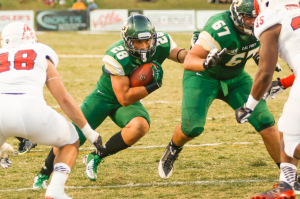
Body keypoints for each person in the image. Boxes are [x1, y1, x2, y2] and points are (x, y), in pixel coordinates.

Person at [32, 14, 188, 187]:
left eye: (147, 41)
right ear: (128, 41)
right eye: (138, 42)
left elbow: (180, 55)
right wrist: (153, 86)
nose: (144, 46)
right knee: (72, 136)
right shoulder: (116, 55)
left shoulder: (162, 42)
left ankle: (96, 156)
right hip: (104, 97)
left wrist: (198, 56)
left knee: (140, 126)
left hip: (127, 99)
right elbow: (125, 97)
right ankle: (43, 174)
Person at [158, 0, 283, 184]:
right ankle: (173, 149)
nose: (253, 22)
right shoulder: (219, 28)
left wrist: (260, 57)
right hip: (203, 76)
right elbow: (189, 60)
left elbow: (255, 47)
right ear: (236, 15)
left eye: (256, 18)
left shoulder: (263, 23)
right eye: (248, 18)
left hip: (236, 78)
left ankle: (287, 173)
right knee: (192, 128)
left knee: (265, 120)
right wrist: (205, 63)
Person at [0, 21, 102, 199]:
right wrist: (89, 133)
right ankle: (55, 190)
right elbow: (63, 99)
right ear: (29, 37)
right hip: (30, 109)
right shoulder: (41, 52)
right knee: (70, 140)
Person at [235, 0, 300, 198]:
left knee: (291, 143)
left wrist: (249, 106)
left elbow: (265, 73)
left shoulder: (270, 16)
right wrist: (284, 83)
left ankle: (287, 186)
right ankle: (287, 184)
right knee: (286, 129)